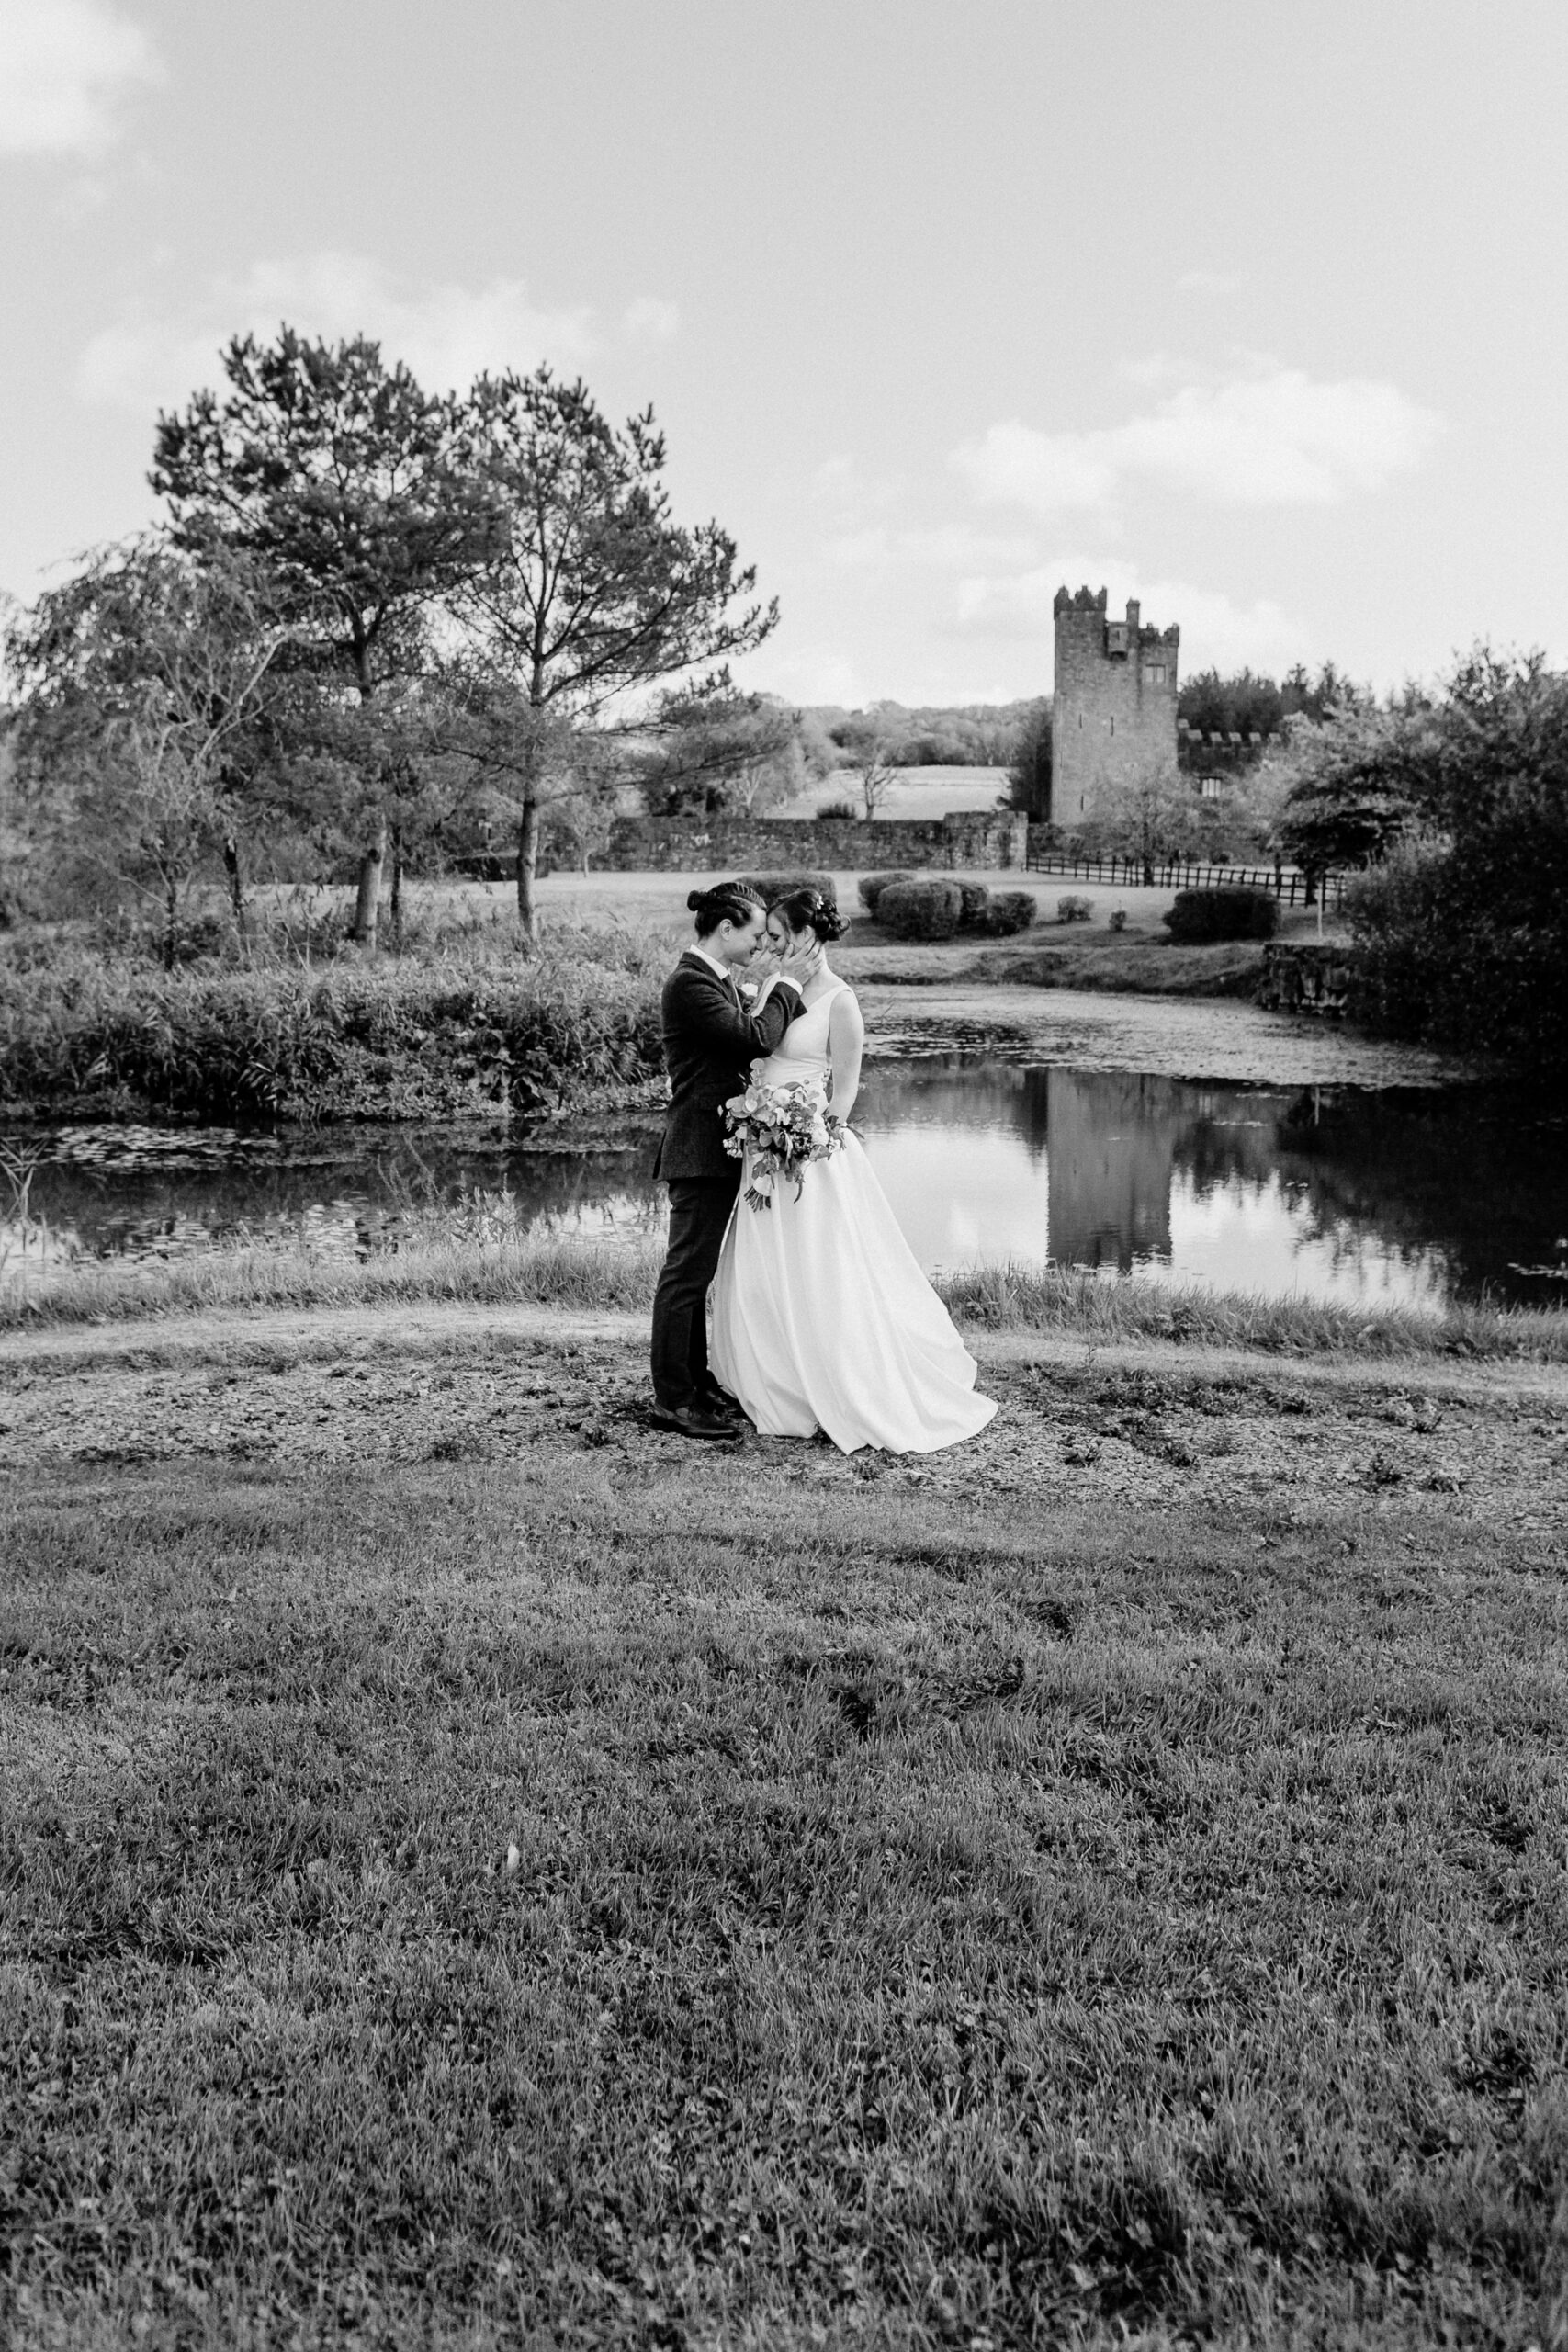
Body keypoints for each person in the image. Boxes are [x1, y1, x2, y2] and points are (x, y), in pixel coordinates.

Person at [710, 887, 997, 1453]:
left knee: (819, 1264)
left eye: (779, 936)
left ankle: (837, 1379)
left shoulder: (842, 1002)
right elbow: (757, 1056)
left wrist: (806, 1137)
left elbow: (843, 1094)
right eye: (764, 936)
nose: (769, 945)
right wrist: (761, 1125)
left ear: (807, 936)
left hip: (810, 1155)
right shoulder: (772, 986)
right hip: (762, 1149)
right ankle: (772, 1378)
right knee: (764, 1264)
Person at [649, 881, 816, 1440]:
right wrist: (789, 983)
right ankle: (673, 1399)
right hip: (697, 1151)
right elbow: (755, 1038)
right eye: (752, 933)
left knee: (698, 1275)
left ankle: (695, 1383)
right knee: (685, 1275)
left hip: (713, 1150)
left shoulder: (715, 980)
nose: (758, 944)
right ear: (726, 930)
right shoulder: (691, 985)